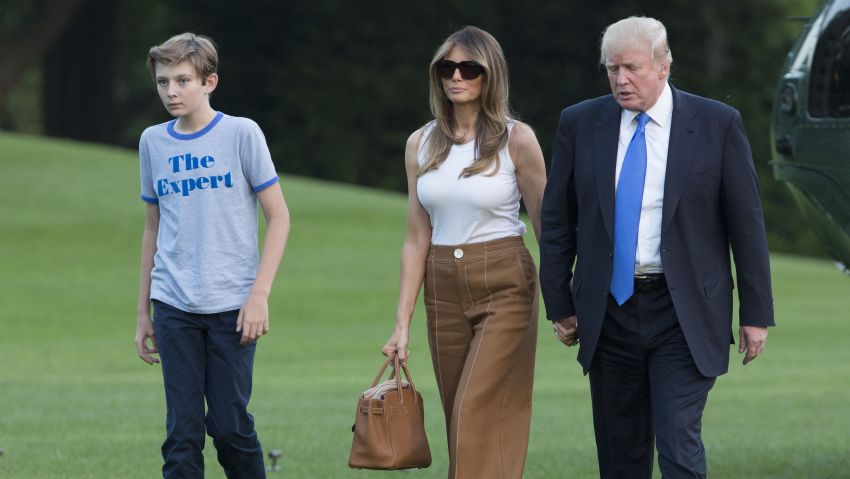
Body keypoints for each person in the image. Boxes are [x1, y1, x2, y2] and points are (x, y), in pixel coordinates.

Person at [539, 16, 774, 479]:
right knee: (620, 454)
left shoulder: (716, 124)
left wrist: (755, 313)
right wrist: (559, 303)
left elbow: (746, 226)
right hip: (609, 313)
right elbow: (557, 221)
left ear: (664, 66)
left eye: (632, 68)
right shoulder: (581, 123)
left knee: (677, 441)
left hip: (684, 311)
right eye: (612, 69)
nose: (620, 80)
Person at [381, 26, 547, 479]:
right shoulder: (421, 143)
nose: (456, 76)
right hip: (443, 286)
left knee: (477, 410)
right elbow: (416, 237)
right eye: (446, 68)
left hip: (505, 282)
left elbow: (546, 228)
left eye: (469, 68)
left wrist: (565, 305)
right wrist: (401, 324)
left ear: (489, 75)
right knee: (460, 415)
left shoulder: (518, 139)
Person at [133, 32, 290, 479]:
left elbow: (279, 218)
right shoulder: (152, 142)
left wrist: (259, 295)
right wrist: (143, 311)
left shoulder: (242, 134)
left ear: (210, 82)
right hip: (174, 305)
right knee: (181, 434)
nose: (171, 91)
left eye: (183, 80)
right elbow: (152, 227)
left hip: (233, 307)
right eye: (163, 82)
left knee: (229, 427)